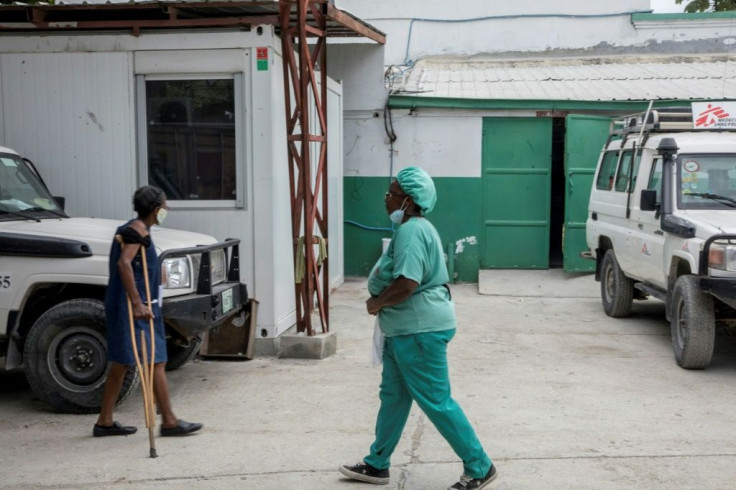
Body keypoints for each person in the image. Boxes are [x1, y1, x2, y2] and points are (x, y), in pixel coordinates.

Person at [339, 167, 497, 490]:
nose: (387, 198)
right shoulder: (412, 228)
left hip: (419, 330)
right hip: (403, 331)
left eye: (393, 193)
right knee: (394, 397)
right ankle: (377, 463)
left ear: (408, 200)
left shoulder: (412, 231)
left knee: (437, 401)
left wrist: (377, 303)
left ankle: (480, 466)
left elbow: (407, 284)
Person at [93, 185, 202, 438]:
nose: (167, 209)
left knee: (122, 363)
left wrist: (156, 274)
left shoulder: (140, 229)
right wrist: (137, 303)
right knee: (157, 361)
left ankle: (105, 421)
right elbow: (124, 263)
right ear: (155, 210)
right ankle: (170, 421)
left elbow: (137, 265)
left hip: (138, 305)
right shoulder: (135, 232)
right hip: (134, 308)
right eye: (164, 206)